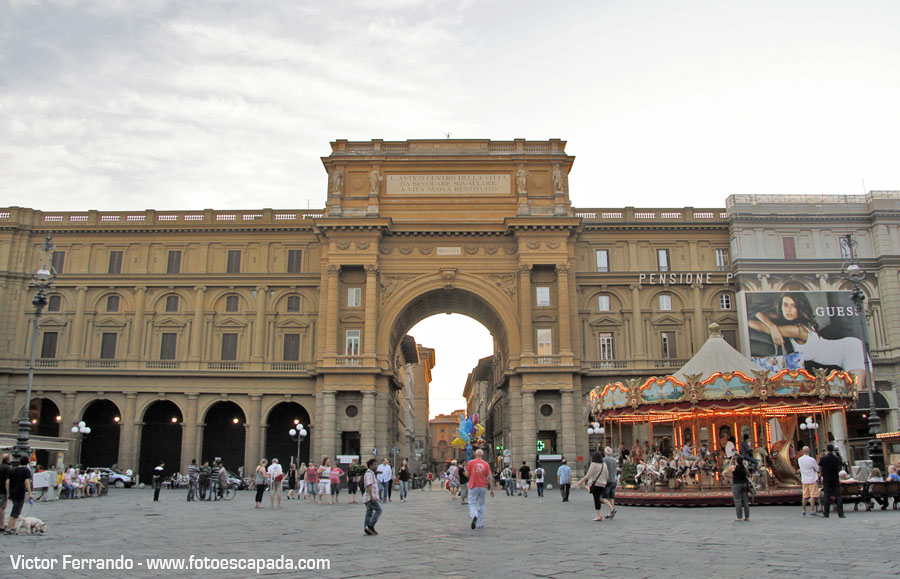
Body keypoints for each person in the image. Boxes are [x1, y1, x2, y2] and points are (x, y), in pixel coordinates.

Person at [749, 293, 867, 383]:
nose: (788, 310)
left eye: (793, 306)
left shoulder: (798, 330)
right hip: (843, 350)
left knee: (859, 392)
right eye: (785, 305)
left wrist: (772, 327)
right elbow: (758, 314)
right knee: (867, 387)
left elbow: (756, 325)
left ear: (799, 309)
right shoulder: (788, 320)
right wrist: (773, 326)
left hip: (849, 349)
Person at [3, 456, 34, 535]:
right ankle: (9, 528)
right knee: (16, 511)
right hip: (20, 492)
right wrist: (30, 493)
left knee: (15, 508)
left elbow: (7, 481)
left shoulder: (12, 469)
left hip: (13, 492)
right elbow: (27, 481)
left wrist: (8, 492)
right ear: (27, 462)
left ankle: (13, 527)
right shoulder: (26, 470)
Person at [466, 449, 494, 529]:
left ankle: (474, 515)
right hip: (483, 486)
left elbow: (467, 474)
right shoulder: (486, 464)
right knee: (481, 504)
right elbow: (489, 477)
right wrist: (492, 489)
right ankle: (480, 523)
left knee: (472, 503)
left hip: (473, 485)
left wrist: (466, 473)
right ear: (482, 455)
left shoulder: (470, 462)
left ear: (475, 454)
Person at [577, 451, 609, 521]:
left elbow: (588, 475)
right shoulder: (604, 464)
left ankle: (598, 515)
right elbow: (607, 475)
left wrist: (580, 481)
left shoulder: (593, 464)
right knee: (601, 498)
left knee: (596, 499)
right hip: (603, 484)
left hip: (596, 484)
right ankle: (609, 510)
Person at [819, 444, 845, 518]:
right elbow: (839, 467)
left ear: (827, 450)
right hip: (835, 478)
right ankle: (841, 513)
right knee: (838, 496)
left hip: (827, 479)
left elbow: (820, 465)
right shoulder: (837, 458)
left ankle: (826, 513)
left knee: (827, 496)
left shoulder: (823, 458)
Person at [797, 446, 820, 516]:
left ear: (802, 452)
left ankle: (803, 510)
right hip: (812, 478)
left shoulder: (800, 459)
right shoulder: (811, 460)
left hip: (804, 479)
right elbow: (817, 468)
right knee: (812, 495)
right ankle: (812, 510)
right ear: (809, 451)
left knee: (804, 496)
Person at [729, 455, 751, 522]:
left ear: (736, 461)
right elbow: (749, 475)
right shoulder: (744, 467)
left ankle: (739, 517)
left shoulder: (734, 467)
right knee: (745, 501)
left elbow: (729, 467)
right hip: (744, 484)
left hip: (737, 484)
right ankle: (747, 516)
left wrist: (732, 459)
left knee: (738, 501)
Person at [363, 458, 382, 535]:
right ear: (370, 465)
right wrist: (371, 496)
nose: (376, 466)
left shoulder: (371, 473)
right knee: (379, 509)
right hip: (370, 497)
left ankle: (366, 528)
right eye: (374, 464)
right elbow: (369, 485)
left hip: (368, 497)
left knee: (369, 512)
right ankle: (370, 525)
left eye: (377, 464)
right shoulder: (369, 474)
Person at [602, 447, 618, 519]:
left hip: (607, 480)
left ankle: (612, 509)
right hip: (613, 480)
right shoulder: (615, 460)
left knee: (603, 497)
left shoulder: (603, 460)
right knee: (611, 497)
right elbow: (616, 470)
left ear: (605, 453)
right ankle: (610, 513)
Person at [0, 453, 10, 530]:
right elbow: (7, 481)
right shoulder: (7, 468)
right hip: (3, 490)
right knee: (2, 508)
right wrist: (8, 492)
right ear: (8, 459)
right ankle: (2, 525)